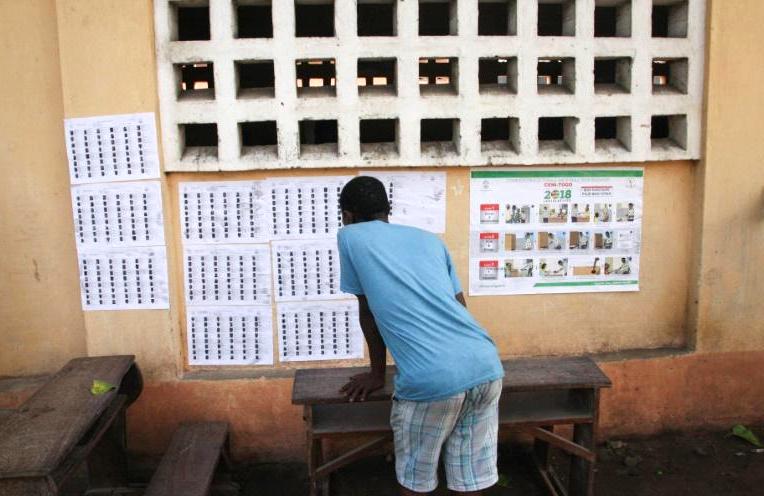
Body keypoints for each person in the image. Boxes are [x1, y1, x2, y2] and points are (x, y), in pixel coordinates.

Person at [337, 177, 505, 495]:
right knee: (468, 477)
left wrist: (376, 374)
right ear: (387, 209)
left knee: (417, 478)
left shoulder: (350, 237)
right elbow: (459, 305)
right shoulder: (429, 240)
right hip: (485, 366)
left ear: (347, 214)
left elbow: (368, 311)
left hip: (432, 380)